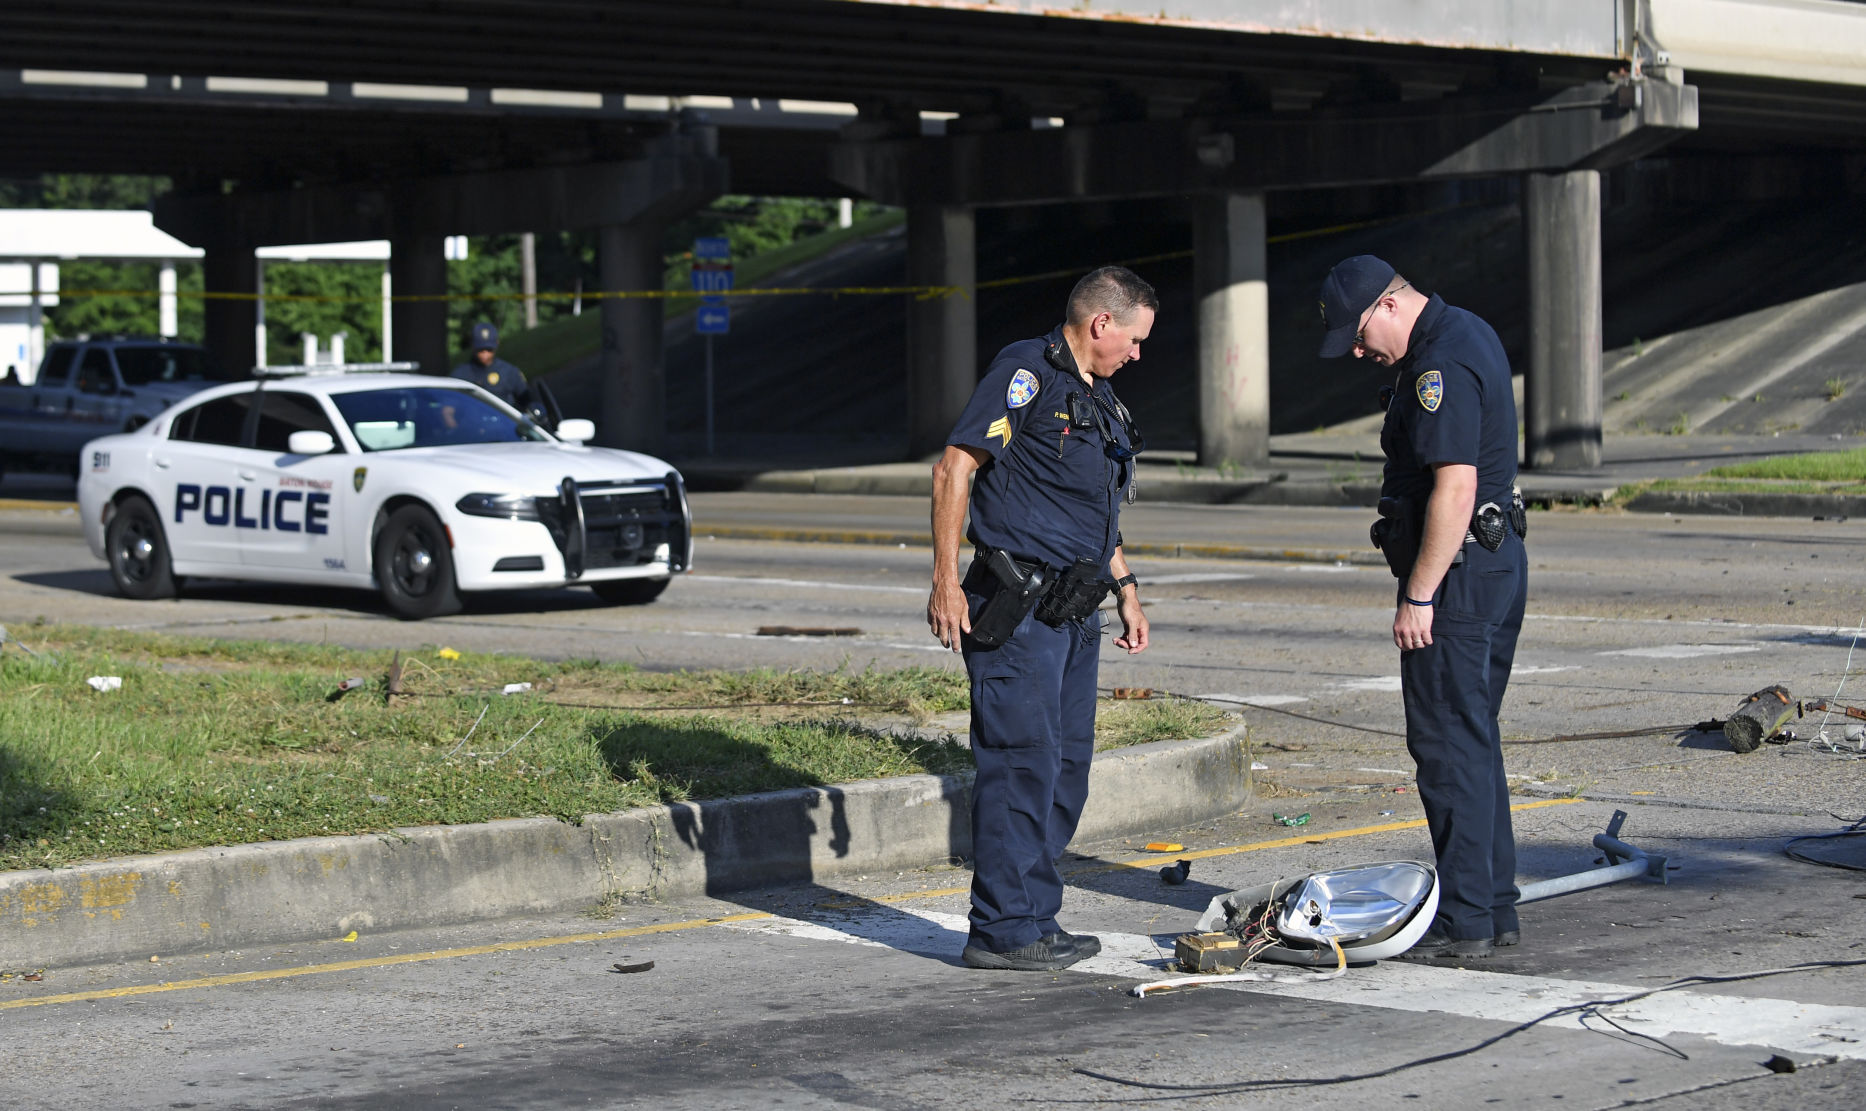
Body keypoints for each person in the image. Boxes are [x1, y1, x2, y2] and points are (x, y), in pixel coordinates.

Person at [927, 265, 1155, 972]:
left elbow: (1093, 508)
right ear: (1100, 325)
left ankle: (1033, 915)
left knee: (1064, 770)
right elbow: (954, 467)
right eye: (1135, 339)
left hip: (1074, 609)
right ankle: (1001, 928)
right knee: (1020, 766)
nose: (1138, 353)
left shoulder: (1101, 398)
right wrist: (943, 580)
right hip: (1017, 608)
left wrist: (1127, 587)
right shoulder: (1024, 373)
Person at [1318, 254, 1528, 960]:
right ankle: (1493, 904)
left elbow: (1455, 487)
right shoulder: (1468, 332)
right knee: (1473, 738)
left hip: (1459, 575)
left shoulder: (1439, 361)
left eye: (1357, 333)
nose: (1355, 351)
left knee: (1445, 745)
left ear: (1388, 305)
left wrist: (1419, 592)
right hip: (1491, 563)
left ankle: (1467, 917)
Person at [450, 322, 530, 409]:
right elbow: (448, 408)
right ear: (472, 345)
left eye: (489, 349)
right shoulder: (460, 374)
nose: (485, 354)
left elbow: (527, 403)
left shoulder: (510, 372)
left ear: (497, 344)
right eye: (480, 349)